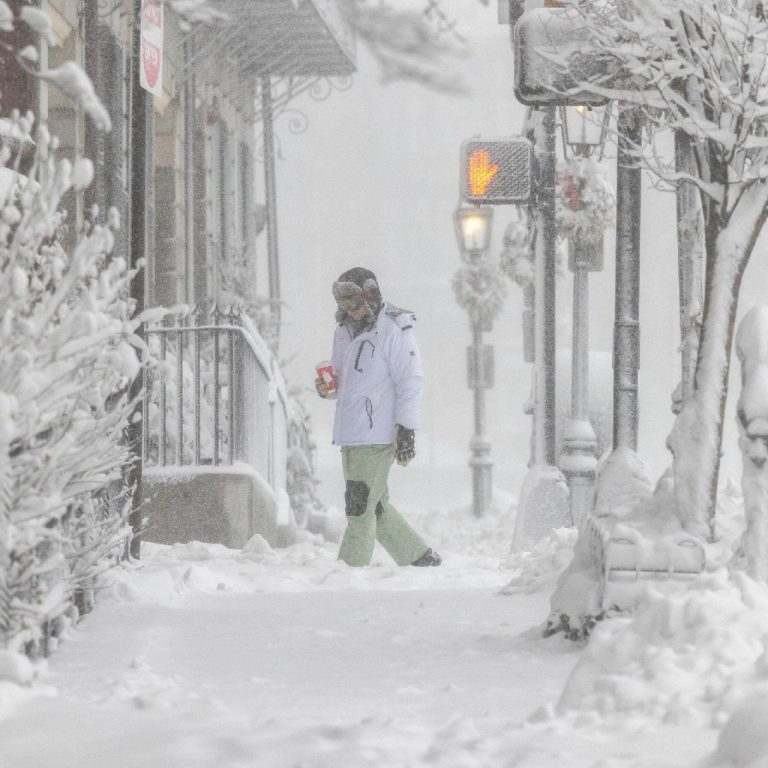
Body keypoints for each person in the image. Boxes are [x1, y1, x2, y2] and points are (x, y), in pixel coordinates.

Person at [315, 267, 442, 568]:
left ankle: (348, 569)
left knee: (358, 506)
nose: (349, 311)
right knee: (375, 504)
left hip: (377, 434)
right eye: (343, 305)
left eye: (354, 304)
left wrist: (406, 430)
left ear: (370, 297)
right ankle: (418, 557)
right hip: (351, 434)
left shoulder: (393, 330)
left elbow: (410, 381)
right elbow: (344, 383)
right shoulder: (343, 332)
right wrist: (327, 387)